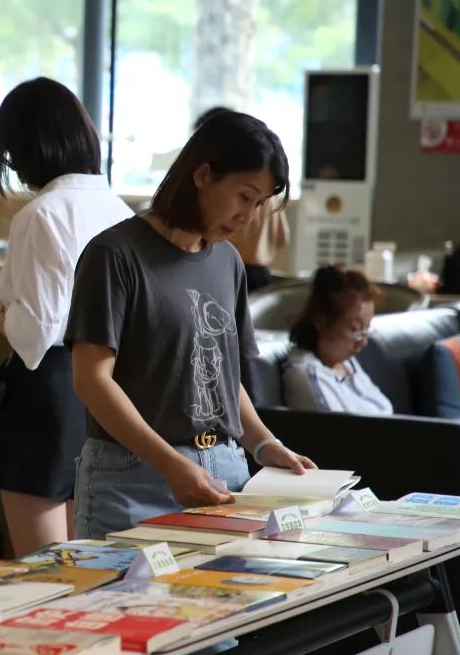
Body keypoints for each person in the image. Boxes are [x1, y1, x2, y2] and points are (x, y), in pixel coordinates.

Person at [66, 110, 317, 541]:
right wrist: (170, 464)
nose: (249, 216)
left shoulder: (228, 262)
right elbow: (91, 380)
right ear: (202, 175)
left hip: (225, 470)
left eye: (259, 204)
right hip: (132, 477)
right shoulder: (114, 254)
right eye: (244, 196)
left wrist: (264, 445)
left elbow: (224, 379)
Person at [0, 76, 134, 556]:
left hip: (47, 397)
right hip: (106, 390)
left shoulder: (42, 213)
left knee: (44, 567)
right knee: (88, 560)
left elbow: (37, 334)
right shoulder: (118, 209)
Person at [196, 107, 290, 291]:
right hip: (261, 274)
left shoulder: (257, 188)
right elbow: (282, 237)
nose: (247, 217)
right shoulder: (269, 195)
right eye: (244, 197)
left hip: (235, 274)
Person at [282, 265, 393, 414]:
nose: (363, 341)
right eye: (354, 329)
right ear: (320, 320)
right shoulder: (307, 374)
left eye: (366, 329)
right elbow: (338, 427)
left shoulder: (346, 363)